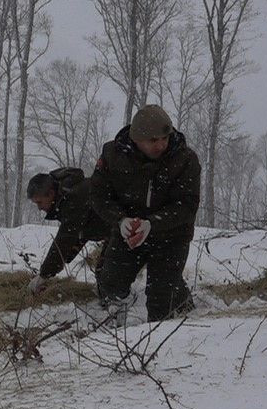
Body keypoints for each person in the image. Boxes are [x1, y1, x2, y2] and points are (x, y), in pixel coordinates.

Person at [89, 104, 201, 322]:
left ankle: (179, 301)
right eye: (153, 140)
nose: (161, 145)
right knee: (110, 283)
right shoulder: (112, 155)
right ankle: (122, 308)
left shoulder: (185, 159)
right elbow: (98, 196)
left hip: (171, 236)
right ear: (136, 139)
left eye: (165, 138)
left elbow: (187, 205)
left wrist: (152, 223)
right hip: (129, 232)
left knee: (160, 306)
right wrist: (121, 221)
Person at [26, 167, 111, 294]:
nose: (39, 208)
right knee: (104, 277)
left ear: (50, 193)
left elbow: (65, 237)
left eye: (39, 202)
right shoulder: (65, 196)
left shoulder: (74, 197)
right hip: (113, 230)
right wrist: (60, 260)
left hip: (126, 227)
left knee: (107, 279)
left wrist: (44, 275)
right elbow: (77, 235)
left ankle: (117, 307)